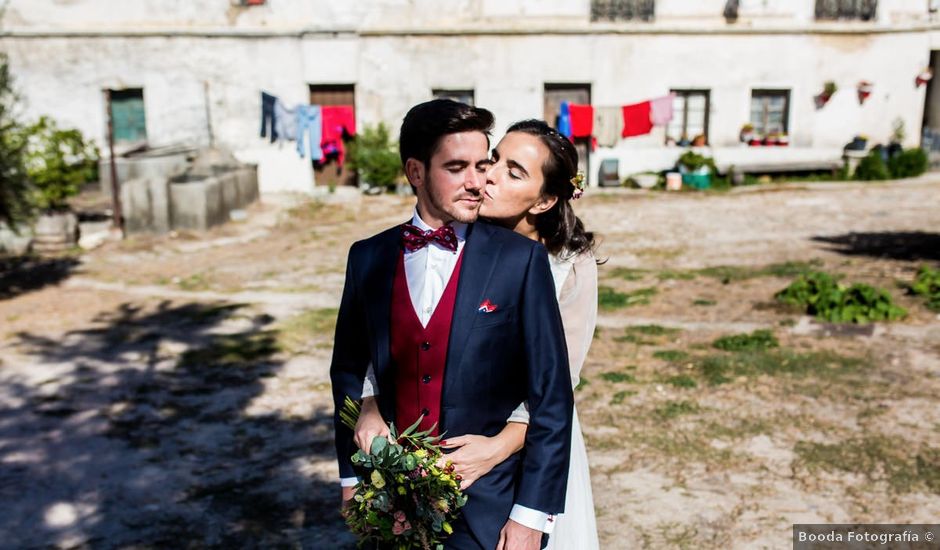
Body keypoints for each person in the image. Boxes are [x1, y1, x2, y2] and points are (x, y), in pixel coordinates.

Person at [331, 100, 574, 550]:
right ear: (416, 172)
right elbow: (348, 365)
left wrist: (530, 516)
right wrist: (351, 475)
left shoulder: (520, 261)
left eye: (482, 166)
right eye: (456, 167)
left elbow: (552, 395)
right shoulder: (367, 257)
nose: (475, 182)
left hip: (492, 505)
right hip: (391, 499)